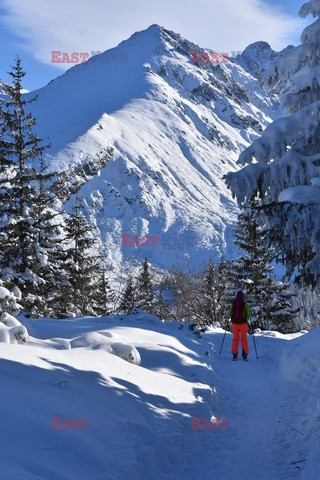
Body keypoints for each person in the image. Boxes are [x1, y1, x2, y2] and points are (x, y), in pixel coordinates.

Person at [228, 290, 251, 361]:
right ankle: (245, 354)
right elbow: (248, 315)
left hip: (235, 324)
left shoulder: (233, 304)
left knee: (235, 339)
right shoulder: (245, 305)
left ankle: (235, 354)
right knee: (244, 339)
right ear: (243, 297)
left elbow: (229, 314)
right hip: (243, 324)